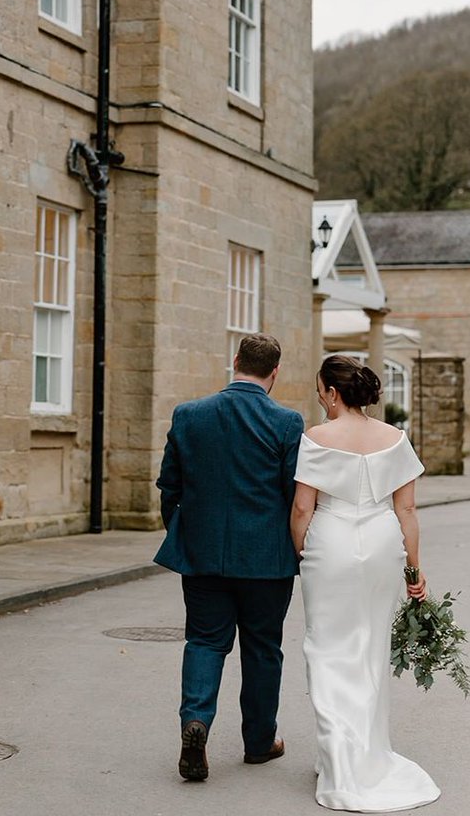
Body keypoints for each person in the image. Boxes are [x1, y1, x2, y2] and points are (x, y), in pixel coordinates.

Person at [291, 355, 441, 812]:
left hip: (331, 544)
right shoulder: (395, 438)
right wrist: (414, 570)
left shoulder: (316, 437)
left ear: (333, 394)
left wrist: (301, 549)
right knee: (369, 646)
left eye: (321, 390)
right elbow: (408, 512)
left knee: (328, 646)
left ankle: (338, 757)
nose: (319, 398)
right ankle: (366, 754)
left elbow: (302, 508)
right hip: (380, 543)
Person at [155, 332, 305, 783]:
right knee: (262, 649)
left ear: (235, 360)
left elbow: (169, 487)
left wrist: (185, 533)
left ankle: (195, 722)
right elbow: (294, 494)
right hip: (266, 561)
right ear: (274, 372)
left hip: (203, 556)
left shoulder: (189, 415)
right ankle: (259, 742)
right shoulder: (286, 422)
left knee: (204, 641)